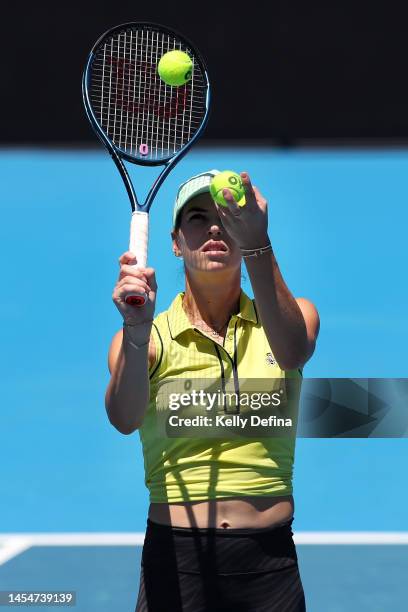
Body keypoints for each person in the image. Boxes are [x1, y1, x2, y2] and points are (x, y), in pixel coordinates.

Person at [105, 170, 320, 612]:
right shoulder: (149, 339)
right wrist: (136, 330)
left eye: (227, 216)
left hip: (268, 564)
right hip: (175, 561)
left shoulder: (294, 316)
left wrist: (259, 241)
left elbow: (293, 352)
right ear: (175, 242)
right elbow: (124, 419)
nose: (216, 227)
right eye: (198, 219)